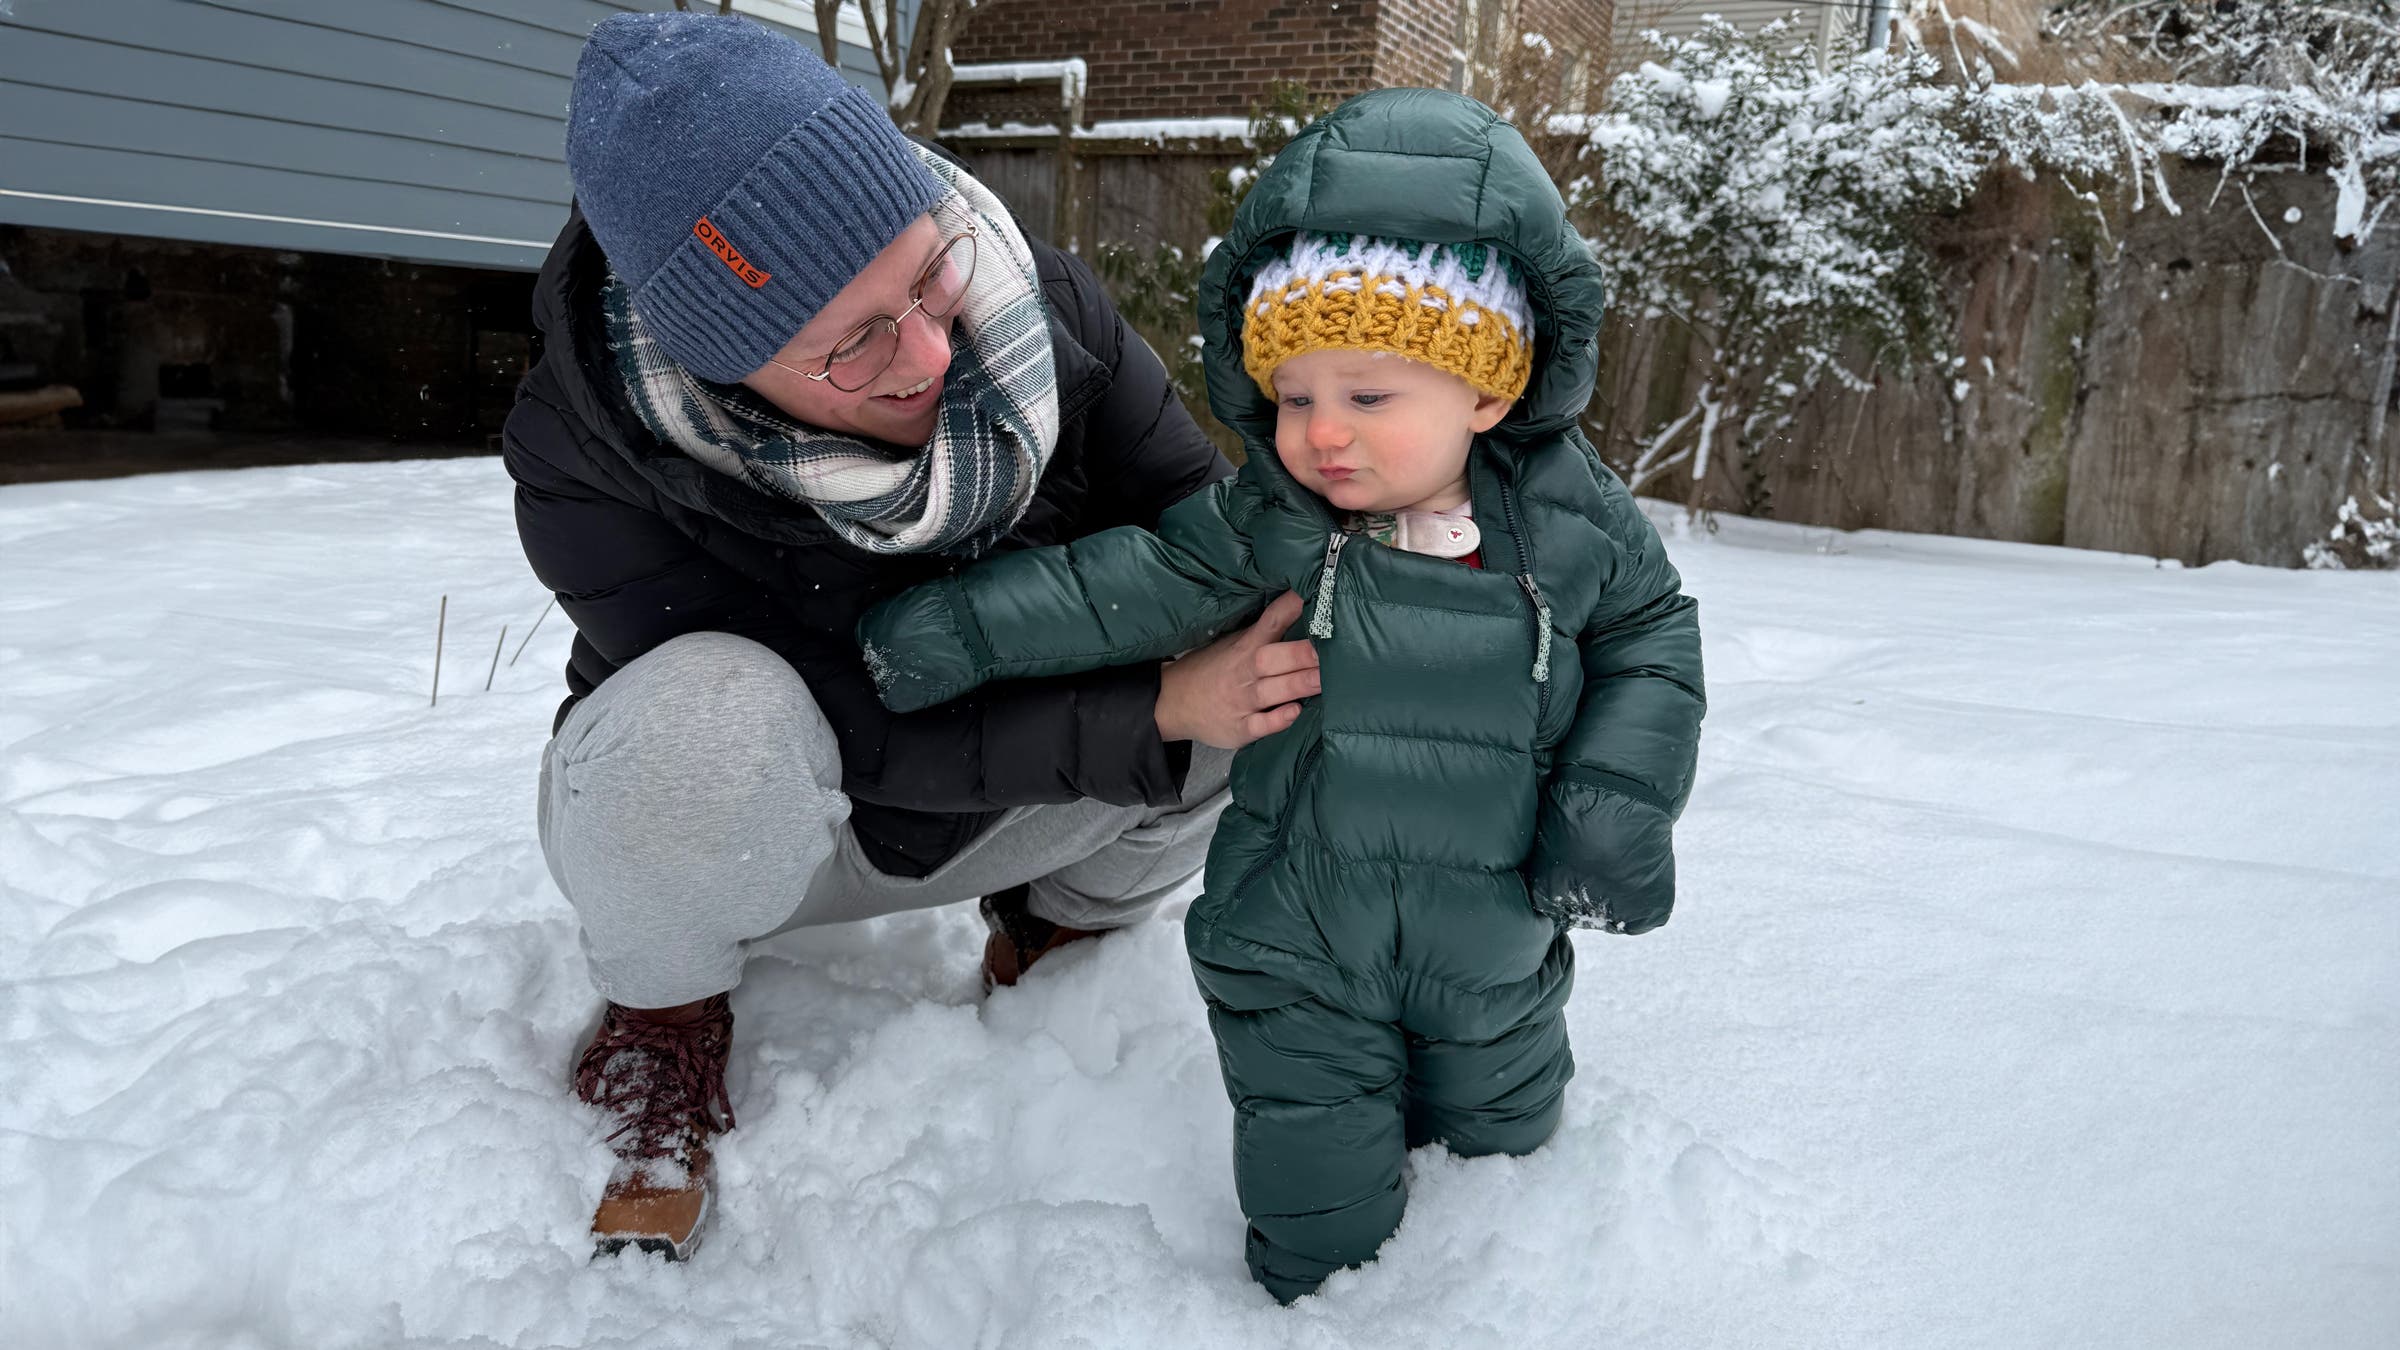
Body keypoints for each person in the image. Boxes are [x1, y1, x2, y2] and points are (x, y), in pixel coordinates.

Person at [857, 87, 1708, 1302]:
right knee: (1322, 1216)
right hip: (1296, 932)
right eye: (1296, 396)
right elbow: (1128, 587)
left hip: (1500, 932)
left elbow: (1653, 639)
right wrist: (958, 627)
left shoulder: (1569, 526)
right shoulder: (1277, 520)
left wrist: (1618, 798)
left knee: (1507, 1178)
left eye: (1369, 398)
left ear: (1490, 391)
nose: (1322, 435)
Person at [504, 13, 1314, 1261]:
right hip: (757, 822)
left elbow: (1205, 531)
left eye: (926, 277)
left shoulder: (1035, 302)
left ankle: (1058, 930)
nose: (934, 351)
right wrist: (1154, 711)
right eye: (852, 343)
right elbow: (856, 718)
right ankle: (662, 1016)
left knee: (1266, 669)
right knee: (702, 724)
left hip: (1000, 791)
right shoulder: (586, 454)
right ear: (718, 365)